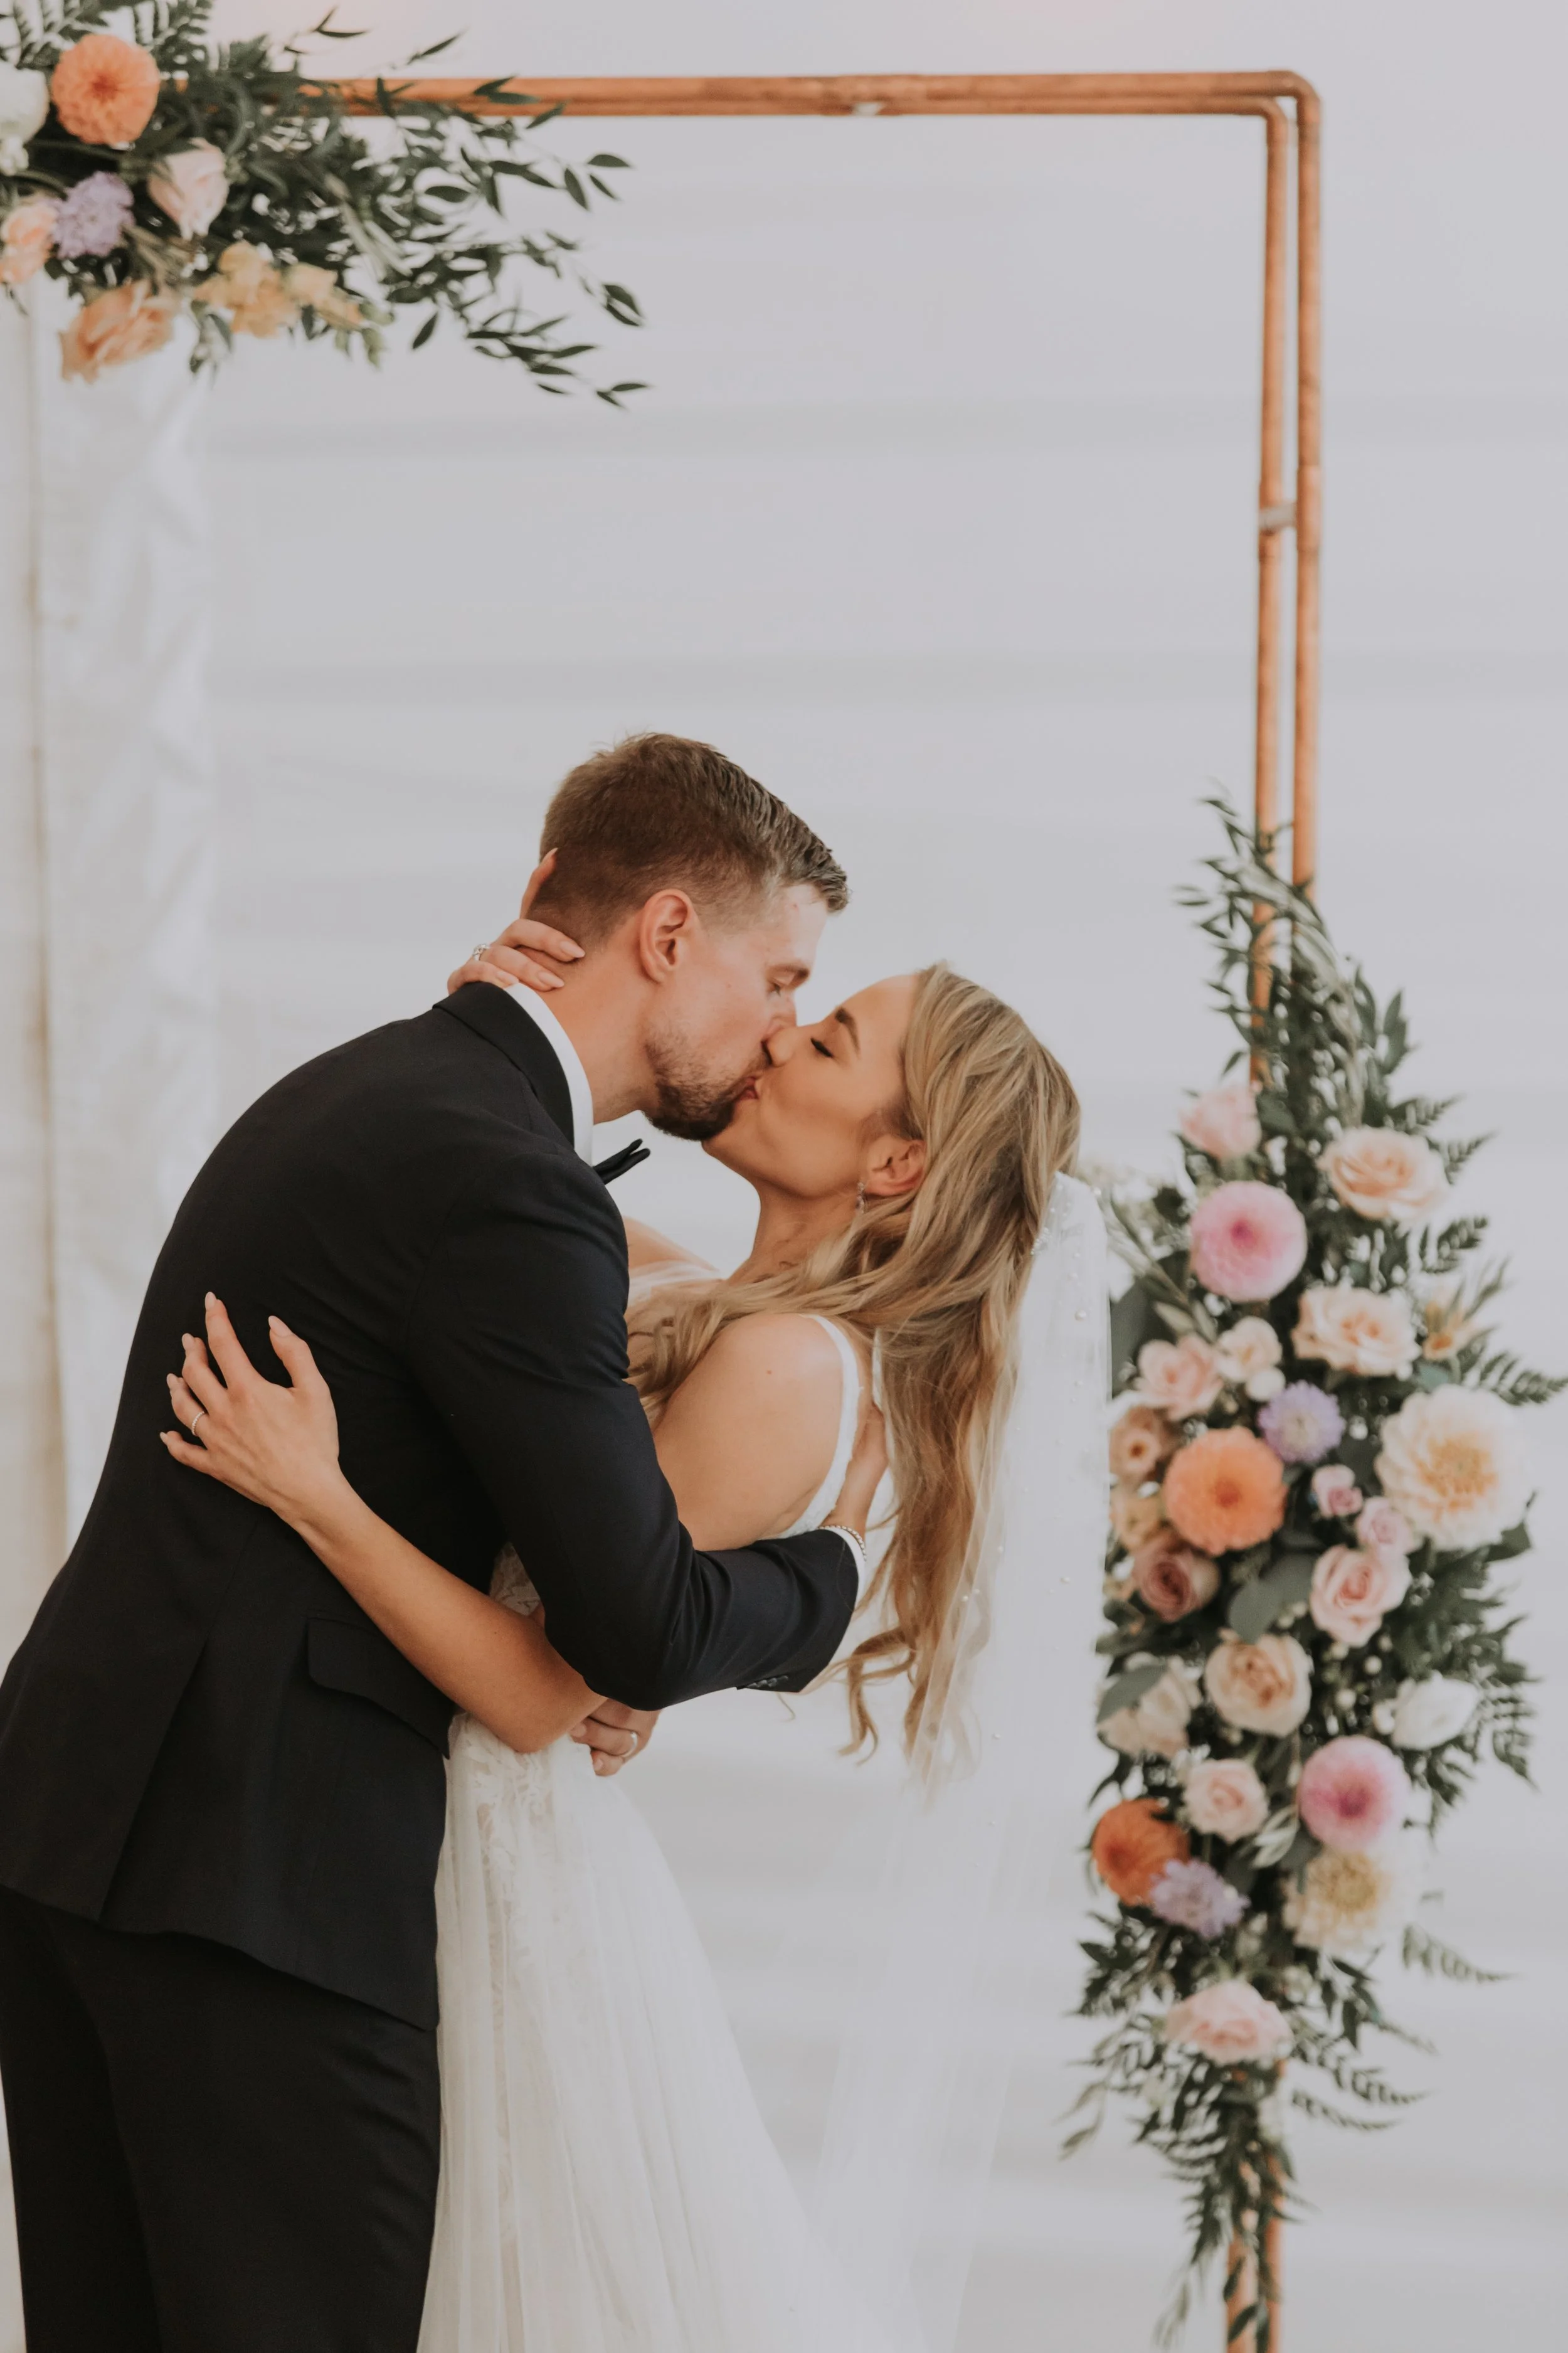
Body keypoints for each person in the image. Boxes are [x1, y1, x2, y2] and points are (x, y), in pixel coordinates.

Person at [0, 736, 884, 2353]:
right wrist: (824, 1588)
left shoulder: (383, 1090)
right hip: (256, 1889)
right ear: (666, 933)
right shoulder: (505, 1185)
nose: (778, 1031)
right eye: (782, 980)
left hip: (79, 1834)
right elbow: (630, 1634)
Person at [156, 940, 1090, 2350]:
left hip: (491, 1852)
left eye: (830, 1040)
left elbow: (542, 1694)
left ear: (896, 1163)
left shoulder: (789, 1366)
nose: (778, 1040)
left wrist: (314, 1494)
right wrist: (493, 1032)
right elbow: (518, 1193)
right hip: (419, 1823)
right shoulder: (711, 1300)